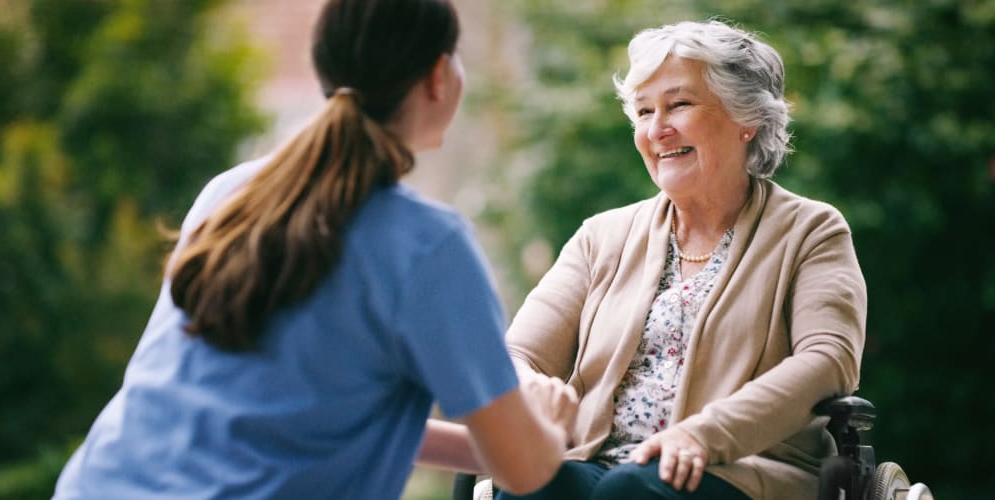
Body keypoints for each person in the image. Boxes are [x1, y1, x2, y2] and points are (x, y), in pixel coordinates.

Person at [52, 0, 577, 498]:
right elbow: (526, 472)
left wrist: (495, 445)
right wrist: (549, 430)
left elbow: (320, 416)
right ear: (438, 77)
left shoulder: (231, 193)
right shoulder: (429, 247)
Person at [495, 20, 866, 500]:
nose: (657, 129)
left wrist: (702, 435)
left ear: (746, 119)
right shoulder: (601, 237)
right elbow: (518, 354)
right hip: (599, 463)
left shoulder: (811, 231)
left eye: (679, 105)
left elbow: (828, 360)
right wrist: (532, 390)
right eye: (644, 111)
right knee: (533, 485)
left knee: (629, 491)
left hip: (739, 471)